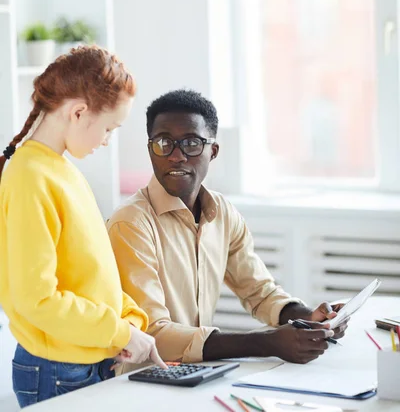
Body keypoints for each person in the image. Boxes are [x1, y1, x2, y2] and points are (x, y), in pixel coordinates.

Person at [108, 89, 347, 367]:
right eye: (164, 143)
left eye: (191, 143)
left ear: (213, 151)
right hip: (143, 382)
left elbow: (259, 291)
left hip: (198, 373)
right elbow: (152, 333)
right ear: (151, 149)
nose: (176, 156)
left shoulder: (222, 213)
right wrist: (267, 342)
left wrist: (309, 319)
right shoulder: (131, 224)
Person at [0, 45, 165, 409]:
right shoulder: (30, 177)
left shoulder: (62, 171)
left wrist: (129, 324)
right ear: (78, 112)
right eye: (109, 128)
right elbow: (37, 299)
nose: (107, 140)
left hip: (84, 362)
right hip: (57, 370)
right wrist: (119, 331)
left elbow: (89, 275)